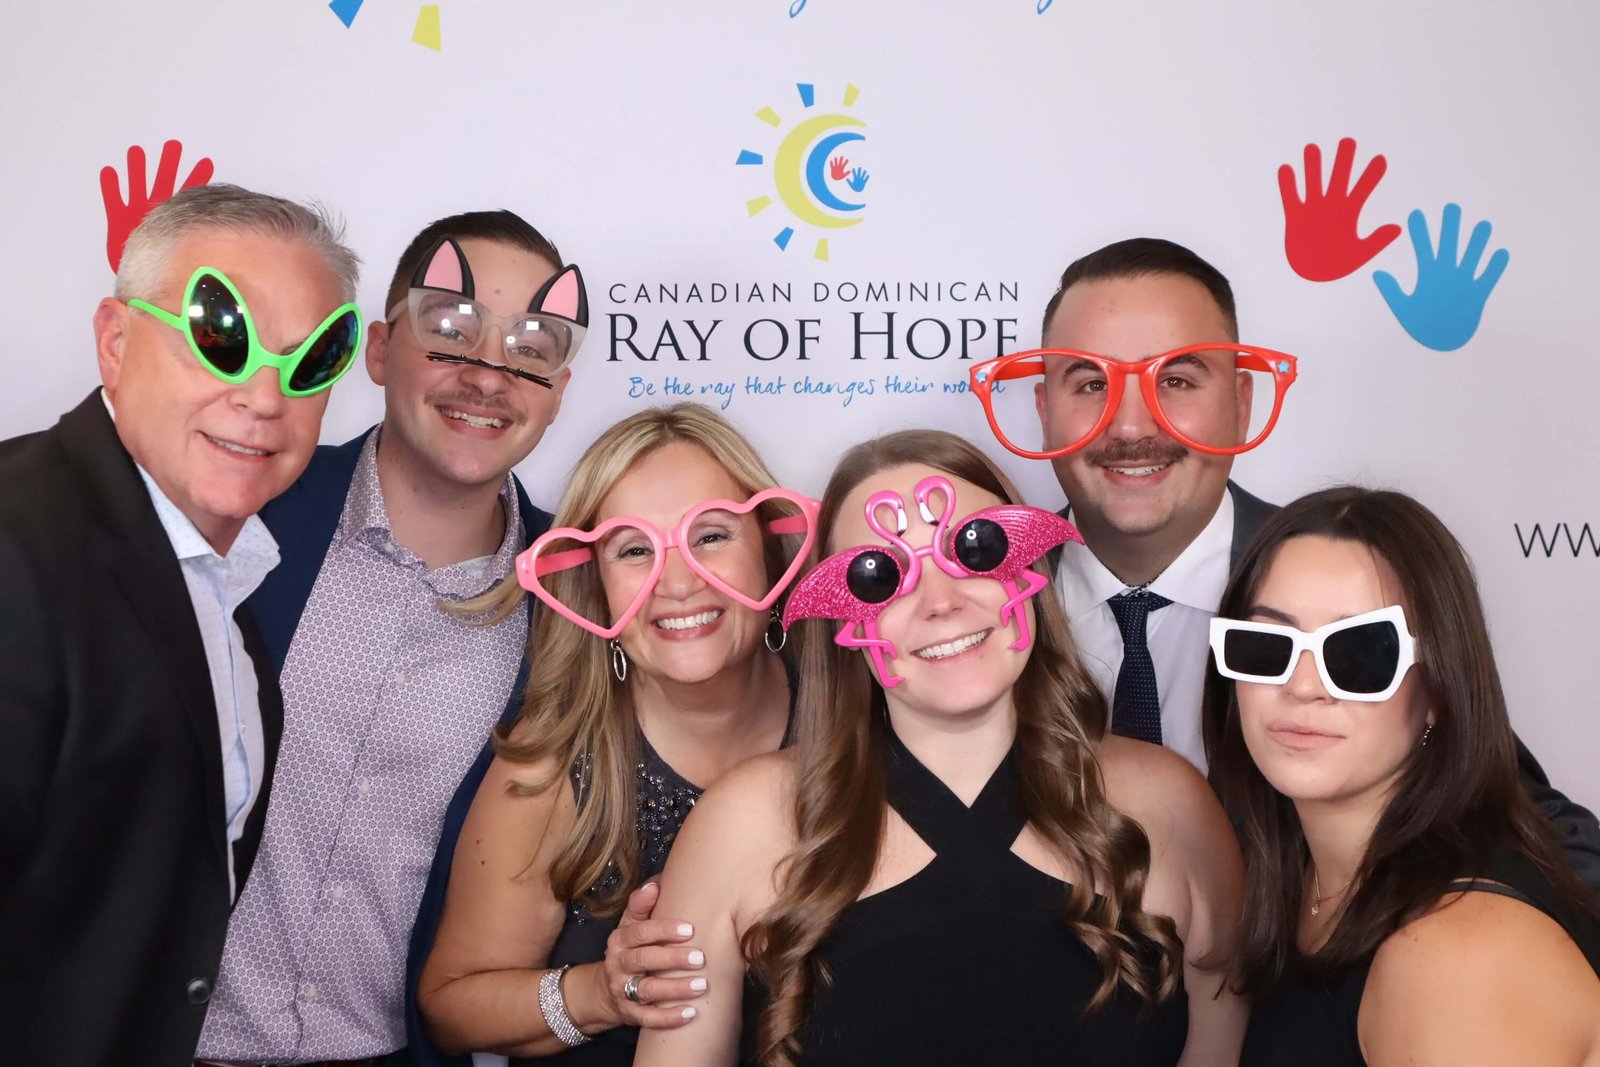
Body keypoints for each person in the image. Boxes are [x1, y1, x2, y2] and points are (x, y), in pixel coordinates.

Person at [967, 235, 1600, 886]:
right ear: (1044, 410)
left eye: (1177, 380)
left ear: (1242, 404)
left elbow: (1540, 834)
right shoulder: (967, 608)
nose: (1131, 426)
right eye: (1091, 383)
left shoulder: (1355, 576)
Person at [635, 430, 1246, 1067]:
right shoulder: (742, 824)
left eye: (976, 550)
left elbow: (1221, 1045)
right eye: (879, 577)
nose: (941, 603)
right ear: (841, 618)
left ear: (1029, 567)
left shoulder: (1172, 805)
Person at [196, 211, 588, 1065]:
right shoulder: (243, 512)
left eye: (530, 348)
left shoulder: (577, 602)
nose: (488, 376)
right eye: (451, 332)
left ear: (558, 390)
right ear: (378, 350)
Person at [0, 183, 363, 1064]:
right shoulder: (18, 545)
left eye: (307, 364)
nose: (263, 397)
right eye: (221, 338)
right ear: (116, 342)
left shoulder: (226, 590)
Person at [416, 404, 812, 1064]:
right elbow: (451, 1006)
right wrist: (601, 991)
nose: (678, 582)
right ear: (595, 586)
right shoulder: (554, 762)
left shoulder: (853, 713)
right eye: (634, 550)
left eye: (712, 535)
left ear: (770, 548)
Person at [1203, 487, 1600, 1064]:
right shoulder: (1301, 877)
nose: (1303, 686)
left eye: (1359, 654)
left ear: (1438, 688)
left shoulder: (1457, 957)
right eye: (1267, 646)